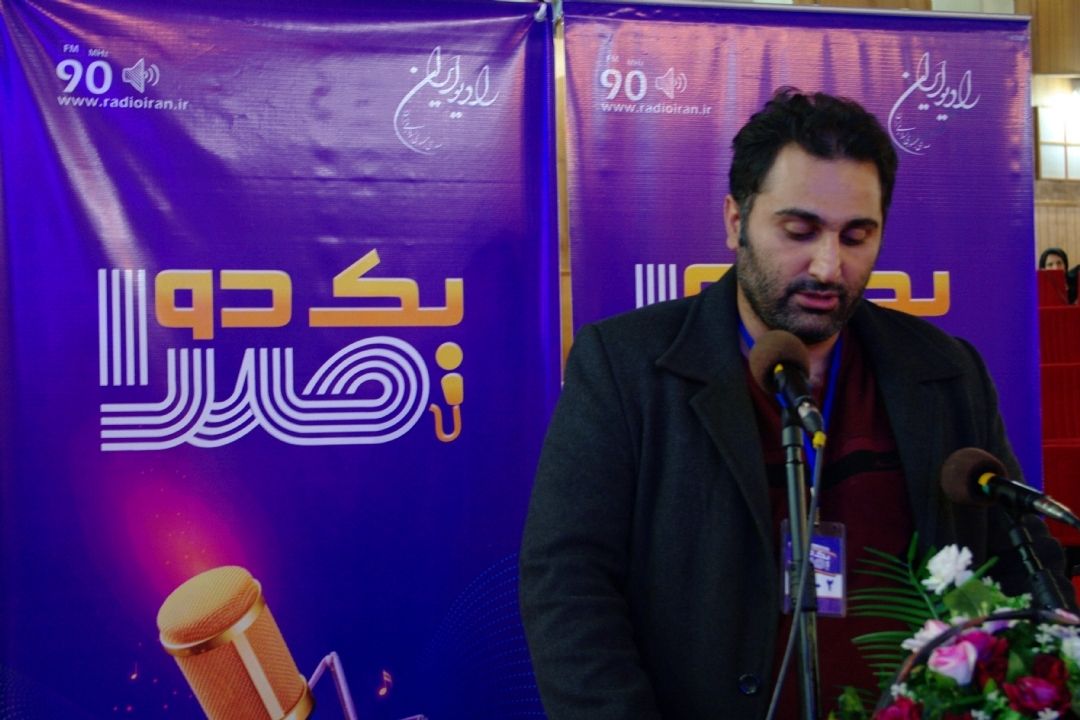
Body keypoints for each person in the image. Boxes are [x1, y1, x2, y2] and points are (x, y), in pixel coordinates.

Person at [519, 88, 1072, 719]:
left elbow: (1022, 563)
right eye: (800, 231)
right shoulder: (627, 368)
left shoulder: (946, 373)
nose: (829, 267)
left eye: (857, 236)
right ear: (736, 221)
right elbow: (567, 584)